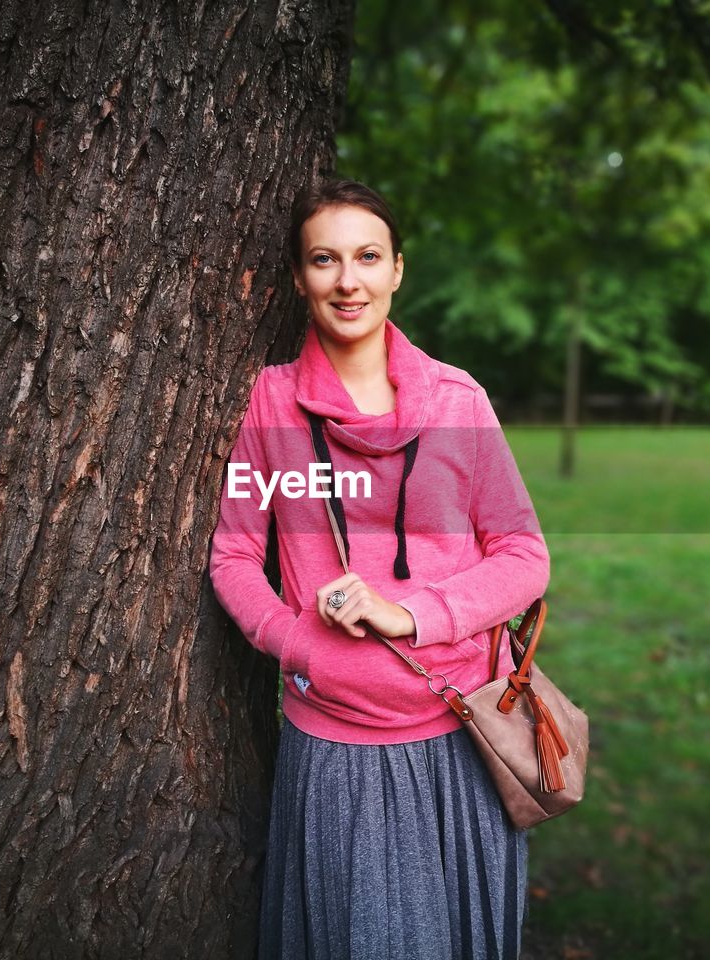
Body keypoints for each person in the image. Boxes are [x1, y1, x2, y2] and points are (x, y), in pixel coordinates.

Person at [209, 179, 550, 960]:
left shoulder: (459, 401)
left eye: (367, 257)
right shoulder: (273, 406)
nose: (347, 280)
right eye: (324, 260)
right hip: (336, 749)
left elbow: (525, 557)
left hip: (464, 732)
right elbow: (232, 553)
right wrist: (297, 644)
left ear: (398, 269)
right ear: (299, 278)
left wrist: (413, 613)